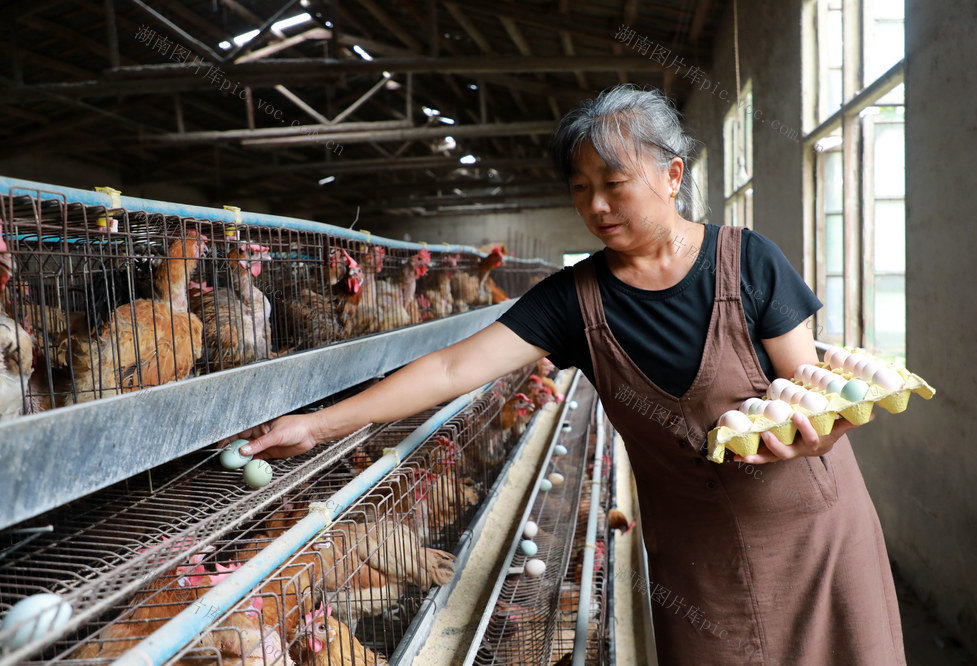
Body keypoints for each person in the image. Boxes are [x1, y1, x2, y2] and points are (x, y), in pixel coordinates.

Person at [232, 85, 905, 664]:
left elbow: (810, 388)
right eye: (581, 189)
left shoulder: (749, 261)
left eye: (614, 185)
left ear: (672, 176)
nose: (596, 206)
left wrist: (818, 432)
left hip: (810, 530)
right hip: (700, 558)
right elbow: (452, 365)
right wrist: (317, 424)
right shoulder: (573, 300)